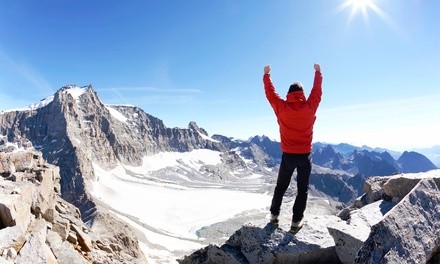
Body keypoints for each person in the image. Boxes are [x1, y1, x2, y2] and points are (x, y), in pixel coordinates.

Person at [263, 63, 322, 233]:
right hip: (305, 157)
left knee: (280, 187)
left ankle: (274, 217)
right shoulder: (310, 106)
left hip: (288, 156)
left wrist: (267, 76)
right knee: (302, 190)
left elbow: (270, 94)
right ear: (302, 94)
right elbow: (317, 92)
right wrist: (318, 73)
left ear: (288, 94)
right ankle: (296, 223)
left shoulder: (282, 107)